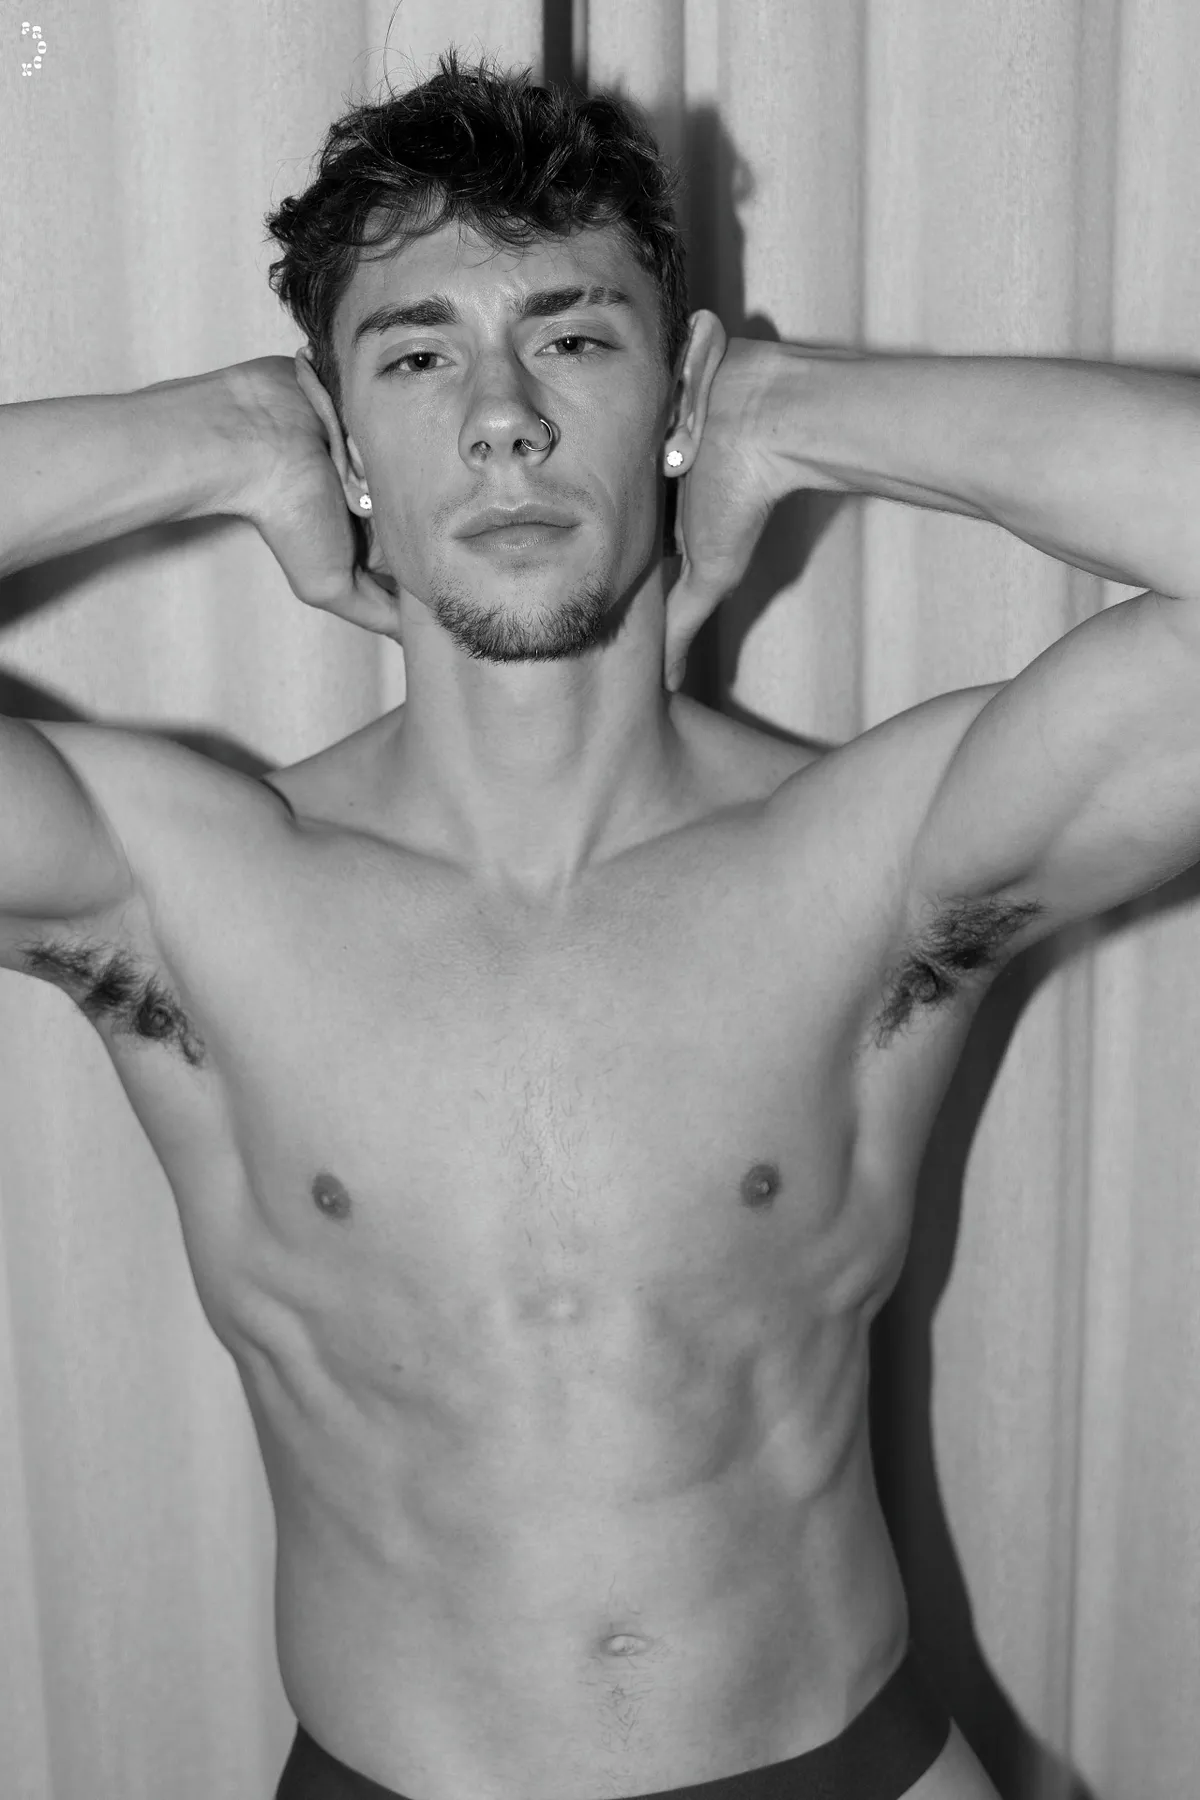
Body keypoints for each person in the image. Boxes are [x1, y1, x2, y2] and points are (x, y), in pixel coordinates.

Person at [3, 45, 1199, 1800]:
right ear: (341, 435)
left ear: (674, 390)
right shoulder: (184, 894)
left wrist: (795, 411)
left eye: (572, 339)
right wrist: (215, 439)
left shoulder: (866, 868)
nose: (504, 418)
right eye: (418, 356)